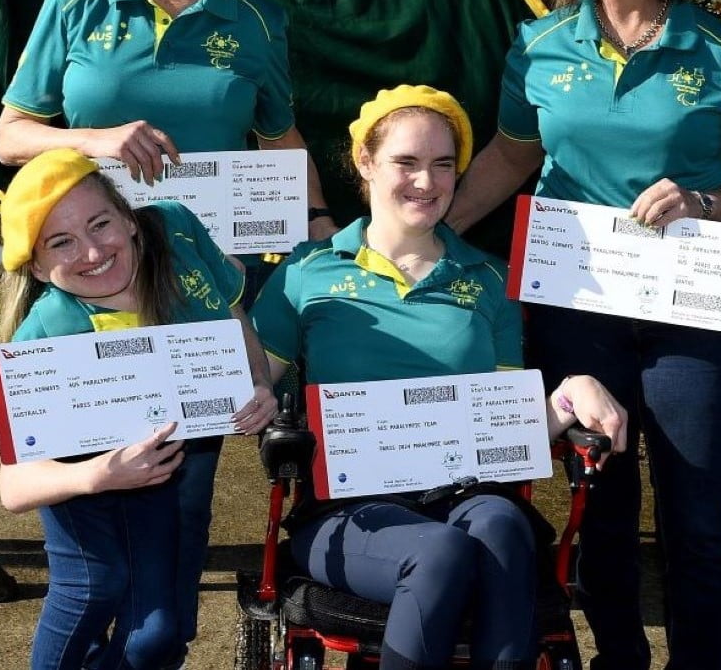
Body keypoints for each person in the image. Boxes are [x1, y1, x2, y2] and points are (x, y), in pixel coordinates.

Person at [0, 0, 334, 660]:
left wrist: (320, 224)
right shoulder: (71, 3)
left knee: (175, 533)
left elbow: (280, 143)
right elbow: (9, 136)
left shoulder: (253, 19)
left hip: (194, 298)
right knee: (90, 555)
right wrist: (97, 142)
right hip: (85, 283)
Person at [446, 0, 721, 670]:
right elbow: (509, 155)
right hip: (576, 311)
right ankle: (620, 659)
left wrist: (702, 201)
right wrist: (430, 231)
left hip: (693, 319)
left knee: (696, 523)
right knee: (598, 505)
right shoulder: (540, 47)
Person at [253, 85, 629, 670]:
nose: (426, 183)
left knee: (505, 527)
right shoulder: (308, 273)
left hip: (468, 494)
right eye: (406, 162)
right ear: (365, 162)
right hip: (349, 510)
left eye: (443, 164)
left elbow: (506, 419)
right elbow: (248, 384)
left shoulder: (488, 280)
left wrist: (570, 390)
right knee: (441, 553)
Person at [0, 148, 277, 670]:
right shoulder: (47, 332)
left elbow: (230, 310)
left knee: (162, 630)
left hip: (181, 463)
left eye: (100, 224)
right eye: (62, 243)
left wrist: (257, 382)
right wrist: (100, 474)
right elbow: (14, 487)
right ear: (37, 265)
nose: (92, 251)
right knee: (96, 591)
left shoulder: (175, 230)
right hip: (89, 482)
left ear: (128, 218)